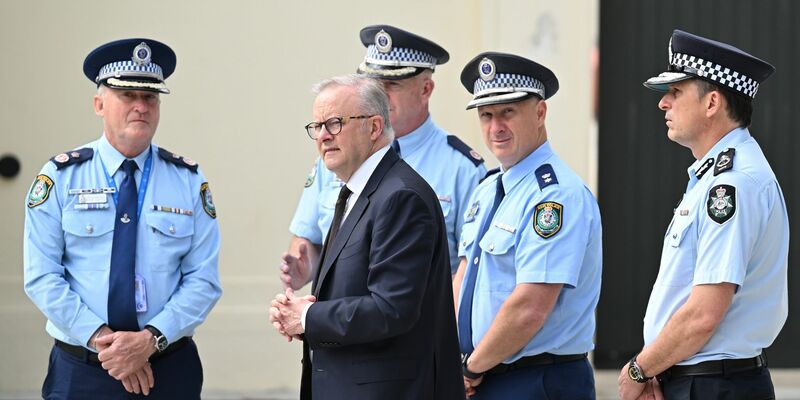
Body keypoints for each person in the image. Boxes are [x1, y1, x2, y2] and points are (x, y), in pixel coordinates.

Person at [23, 38, 222, 399]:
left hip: (168, 368)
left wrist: (148, 341)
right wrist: (109, 345)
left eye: (150, 98)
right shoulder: (60, 177)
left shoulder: (188, 180)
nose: (140, 107)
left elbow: (203, 280)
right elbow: (42, 276)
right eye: (127, 95)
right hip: (83, 370)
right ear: (99, 104)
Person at [269, 75, 464, 400]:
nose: (323, 136)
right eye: (316, 127)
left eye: (334, 123)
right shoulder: (357, 192)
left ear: (374, 128)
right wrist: (300, 311)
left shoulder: (401, 197)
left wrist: (306, 317)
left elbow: (391, 309)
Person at [617, 29, 787, 400]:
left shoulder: (731, 185)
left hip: (714, 385)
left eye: (676, 92)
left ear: (712, 103)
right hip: (702, 380)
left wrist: (639, 369)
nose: (664, 103)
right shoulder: (714, 176)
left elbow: (702, 315)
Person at [280, 24, 486, 289]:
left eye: (391, 85)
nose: (379, 95)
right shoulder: (337, 156)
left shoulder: (462, 167)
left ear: (426, 89)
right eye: (373, 84)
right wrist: (305, 267)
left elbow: (469, 268)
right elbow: (309, 238)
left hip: (413, 322)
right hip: (336, 322)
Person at [454, 52, 602, 399]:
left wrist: (471, 368)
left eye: (508, 112)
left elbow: (530, 306)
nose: (495, 127)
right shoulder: (489, 188)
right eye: (486, 115)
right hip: (484, 375)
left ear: (540, 112)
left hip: (537, 380)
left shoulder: (556, 196)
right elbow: (462, 278)